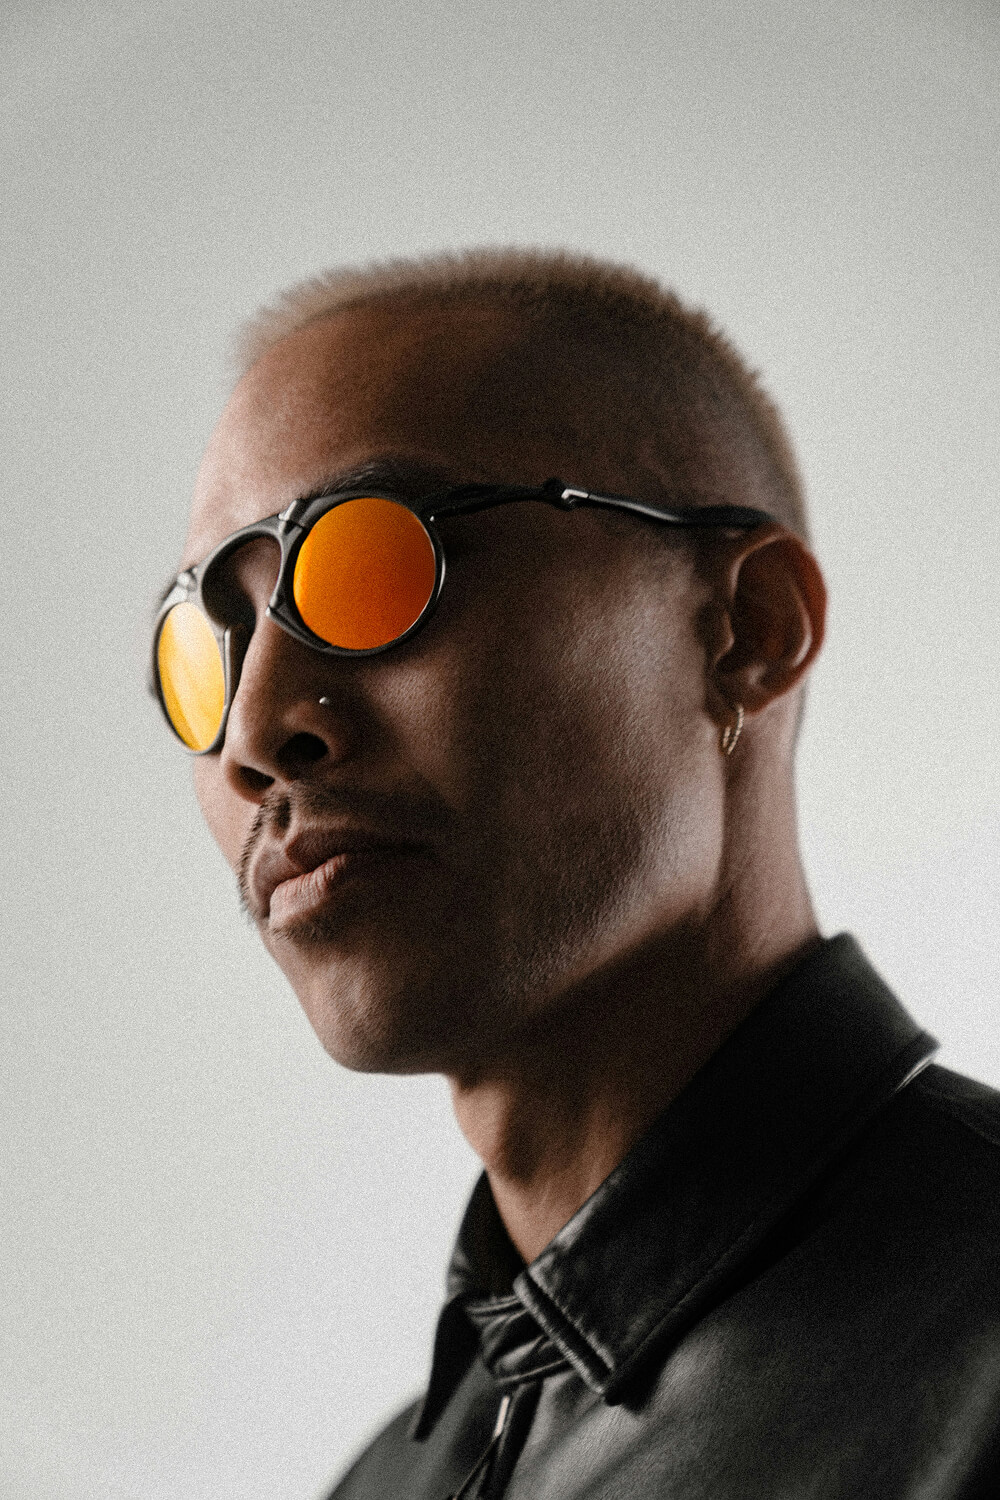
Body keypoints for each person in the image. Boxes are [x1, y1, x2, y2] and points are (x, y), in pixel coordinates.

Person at [152, 250, 1000, 1499]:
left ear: (747, 631)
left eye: (372, 567)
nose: (253, 728)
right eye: (206, 645)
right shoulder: (384, 1481)